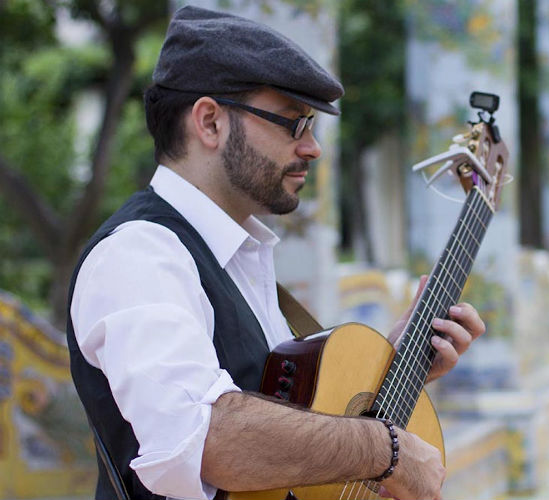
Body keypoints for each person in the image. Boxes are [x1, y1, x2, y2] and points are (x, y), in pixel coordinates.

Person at [66, 6, 485, 500]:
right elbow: (209, 440)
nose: (313, 148)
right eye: (293, 123)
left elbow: (290, 434)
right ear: (209, 122)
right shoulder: (139, 256)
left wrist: (395, 370)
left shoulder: (240, 258)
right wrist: (387, 449)